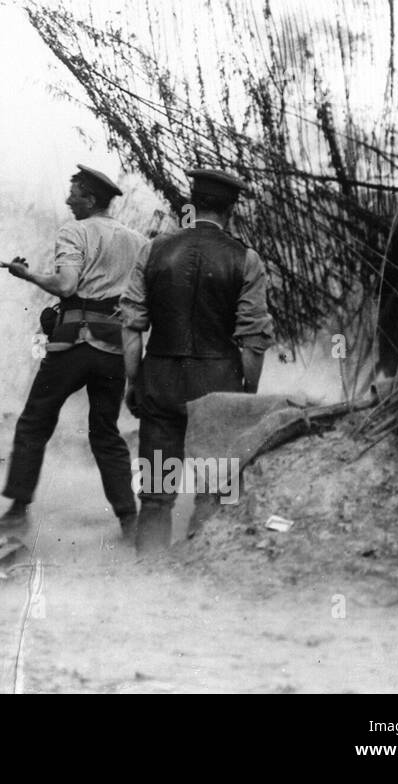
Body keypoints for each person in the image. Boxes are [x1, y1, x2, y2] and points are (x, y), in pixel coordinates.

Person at [0, 165, 147, 539]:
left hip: (72, 344)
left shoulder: (74, 231)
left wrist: (27, 275)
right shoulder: (138, 242)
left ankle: (16, 511)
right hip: (113, 349)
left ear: (90, 198)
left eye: (73, 192)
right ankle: (128, 519)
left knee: (34, 422)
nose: (67, 198)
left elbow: (66, 284)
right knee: (106, 433)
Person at [120, 168, 274, 557]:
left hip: (160, 380)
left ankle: (148, 572)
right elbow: (254, 341)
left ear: (191, 202)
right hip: (217, 387)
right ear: (231, 209)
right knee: (213, 489)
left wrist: (134, 381)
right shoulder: (246, 259)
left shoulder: (154, 249)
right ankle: (197, 576)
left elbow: (132, 326)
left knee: (156, 492)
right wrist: (245, 397)